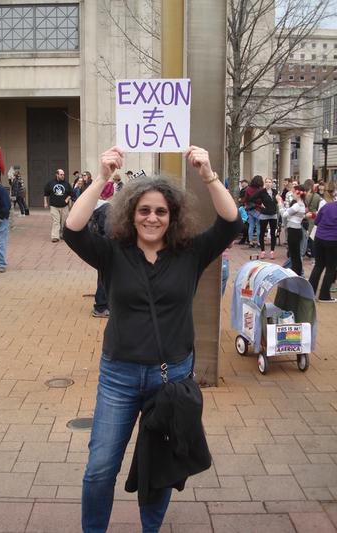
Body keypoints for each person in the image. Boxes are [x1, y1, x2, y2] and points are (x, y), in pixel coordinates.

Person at [63, 145, 241, 532]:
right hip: (119, 378)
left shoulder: (190, 253)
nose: (152, 217)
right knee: (100, 468)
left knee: (159, 467)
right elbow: (72, 229)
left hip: (171, 379)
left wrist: (208, 173)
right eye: (144, 210)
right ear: (131, 213)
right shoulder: (113, 253)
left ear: (172, 216)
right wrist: (102, 177)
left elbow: (231, 223)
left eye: (161, 211)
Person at [308, 200, 337, 302]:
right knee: (331, 268)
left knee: (318, 265)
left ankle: (309, 294)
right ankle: (324, 295)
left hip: (319, 238)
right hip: (333, 240)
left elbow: (316, 221)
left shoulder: (327, 206)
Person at [277, 185, 306, 276]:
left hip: (293, 231)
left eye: (293, 192)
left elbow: (284, 214)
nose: (291, 194)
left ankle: (296, 273)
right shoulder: (301, 204)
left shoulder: (297, 205)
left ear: (297, 194)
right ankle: (298, 273)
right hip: (296, 230)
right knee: (295, 254)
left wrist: (279, 203)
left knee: (294, 255)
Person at [249, 177, 278, 259]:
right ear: (265, 183)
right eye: (267, 182)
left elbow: (278, 201)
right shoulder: (261, 191)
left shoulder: (275, 192)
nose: (268, 183)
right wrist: (259, 205)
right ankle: (263, 251)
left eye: (270, 182)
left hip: (273, 214)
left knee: (273, 233)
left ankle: (272, 251)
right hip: (264, 214)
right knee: (262, 233)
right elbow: (252, 198)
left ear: (272, 183)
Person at [43, 169, 72, 242]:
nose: (63, 176)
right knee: (56, 221)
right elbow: (46, 194)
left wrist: (67, 199)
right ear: (57, 175)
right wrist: (45, 203)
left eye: (63, 174)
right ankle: (55, 236)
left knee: (63, 222)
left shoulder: (66, 184)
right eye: (61, 174)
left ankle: (62, 234)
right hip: (54, 206)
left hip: (64, 206)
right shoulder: (50, 183)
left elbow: (71, 194)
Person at [244, 174, 264, 247]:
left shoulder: (248, 189)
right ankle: (259, 242)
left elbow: (246, 199)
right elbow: (262, 200)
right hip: (258, 209)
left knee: (251, 226)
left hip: (250, 209)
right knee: (259, 226)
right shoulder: (261, 190)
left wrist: (247, 206)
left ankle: (251, 242)